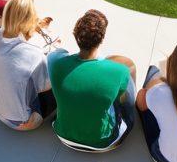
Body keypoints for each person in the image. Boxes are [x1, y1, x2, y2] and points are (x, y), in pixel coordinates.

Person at [49, 9, 136, 148]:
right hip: (101, 142)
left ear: (76, 35)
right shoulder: (120, 71)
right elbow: (119, 98)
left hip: (62, 134)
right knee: (129, 73)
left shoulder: (55, 63)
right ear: (101, 39)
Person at [0, 0, 63, 130]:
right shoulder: (34, 54)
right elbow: (47, 86)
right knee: (60, 83)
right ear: (29, 21)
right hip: (21, 122)